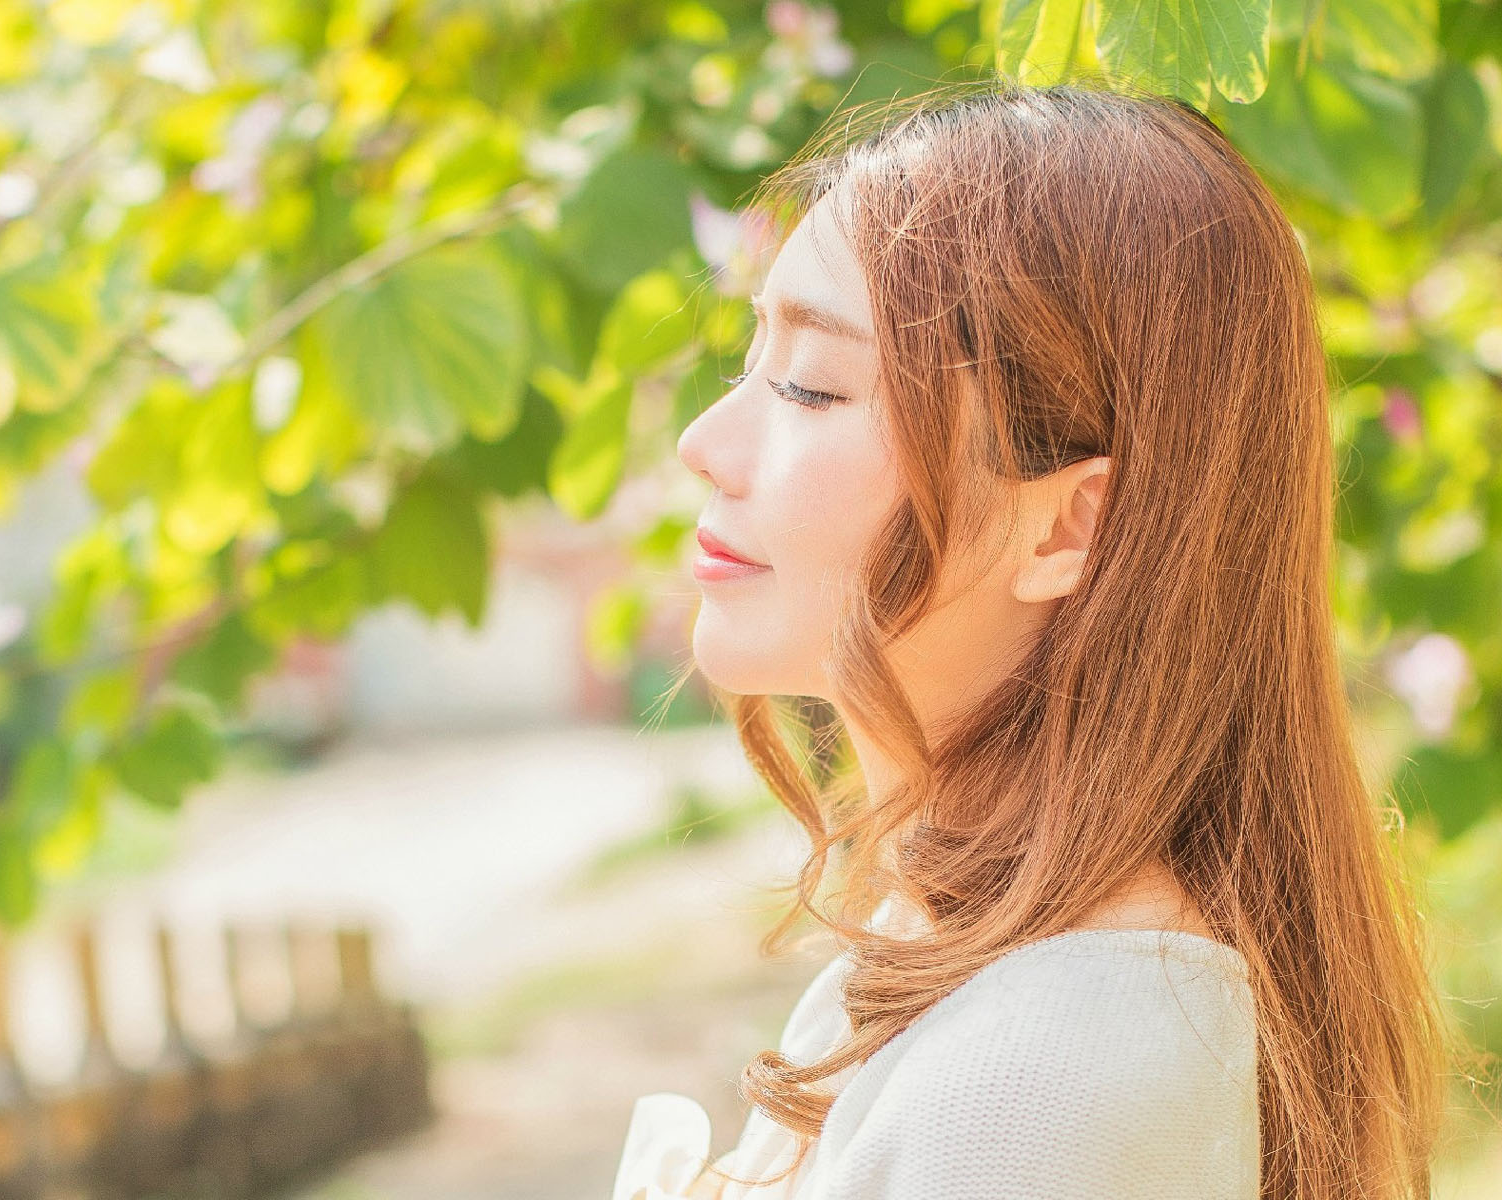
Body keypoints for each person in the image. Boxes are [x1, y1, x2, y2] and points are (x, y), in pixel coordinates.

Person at [619, 77, 1453, 1200]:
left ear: (1069, 524)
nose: (704, 443)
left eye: (813, 387)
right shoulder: (959, 939)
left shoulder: (1042, 1078)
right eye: (751, 363)